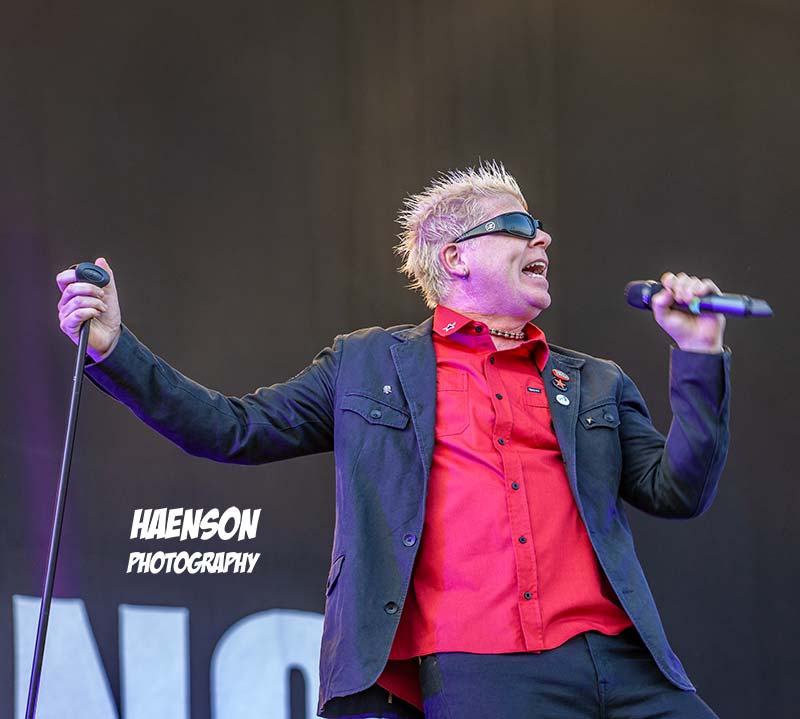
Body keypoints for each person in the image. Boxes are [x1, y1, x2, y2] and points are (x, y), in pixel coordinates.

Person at [56, 163, 729, 719]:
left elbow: (678, 491)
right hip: (484, 668)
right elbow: (232, 427)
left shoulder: (591, 381)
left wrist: (699, 354)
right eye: (521, 226)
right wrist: (115, 350)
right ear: (456, 256)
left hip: (627, 663)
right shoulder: (368, 364)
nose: (544, 237)